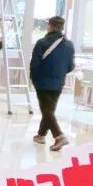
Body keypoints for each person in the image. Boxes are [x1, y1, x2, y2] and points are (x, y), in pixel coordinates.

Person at [30, 16, 74, 151]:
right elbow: (70, 67)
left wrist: (34, 79)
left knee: (47, 110)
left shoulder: (41, 43)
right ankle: (41, 135)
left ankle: (59, 136)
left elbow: (34, 64)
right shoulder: (69, 45)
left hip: (43, 82)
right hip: (58, 83)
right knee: (49, 110)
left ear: (50, 26)